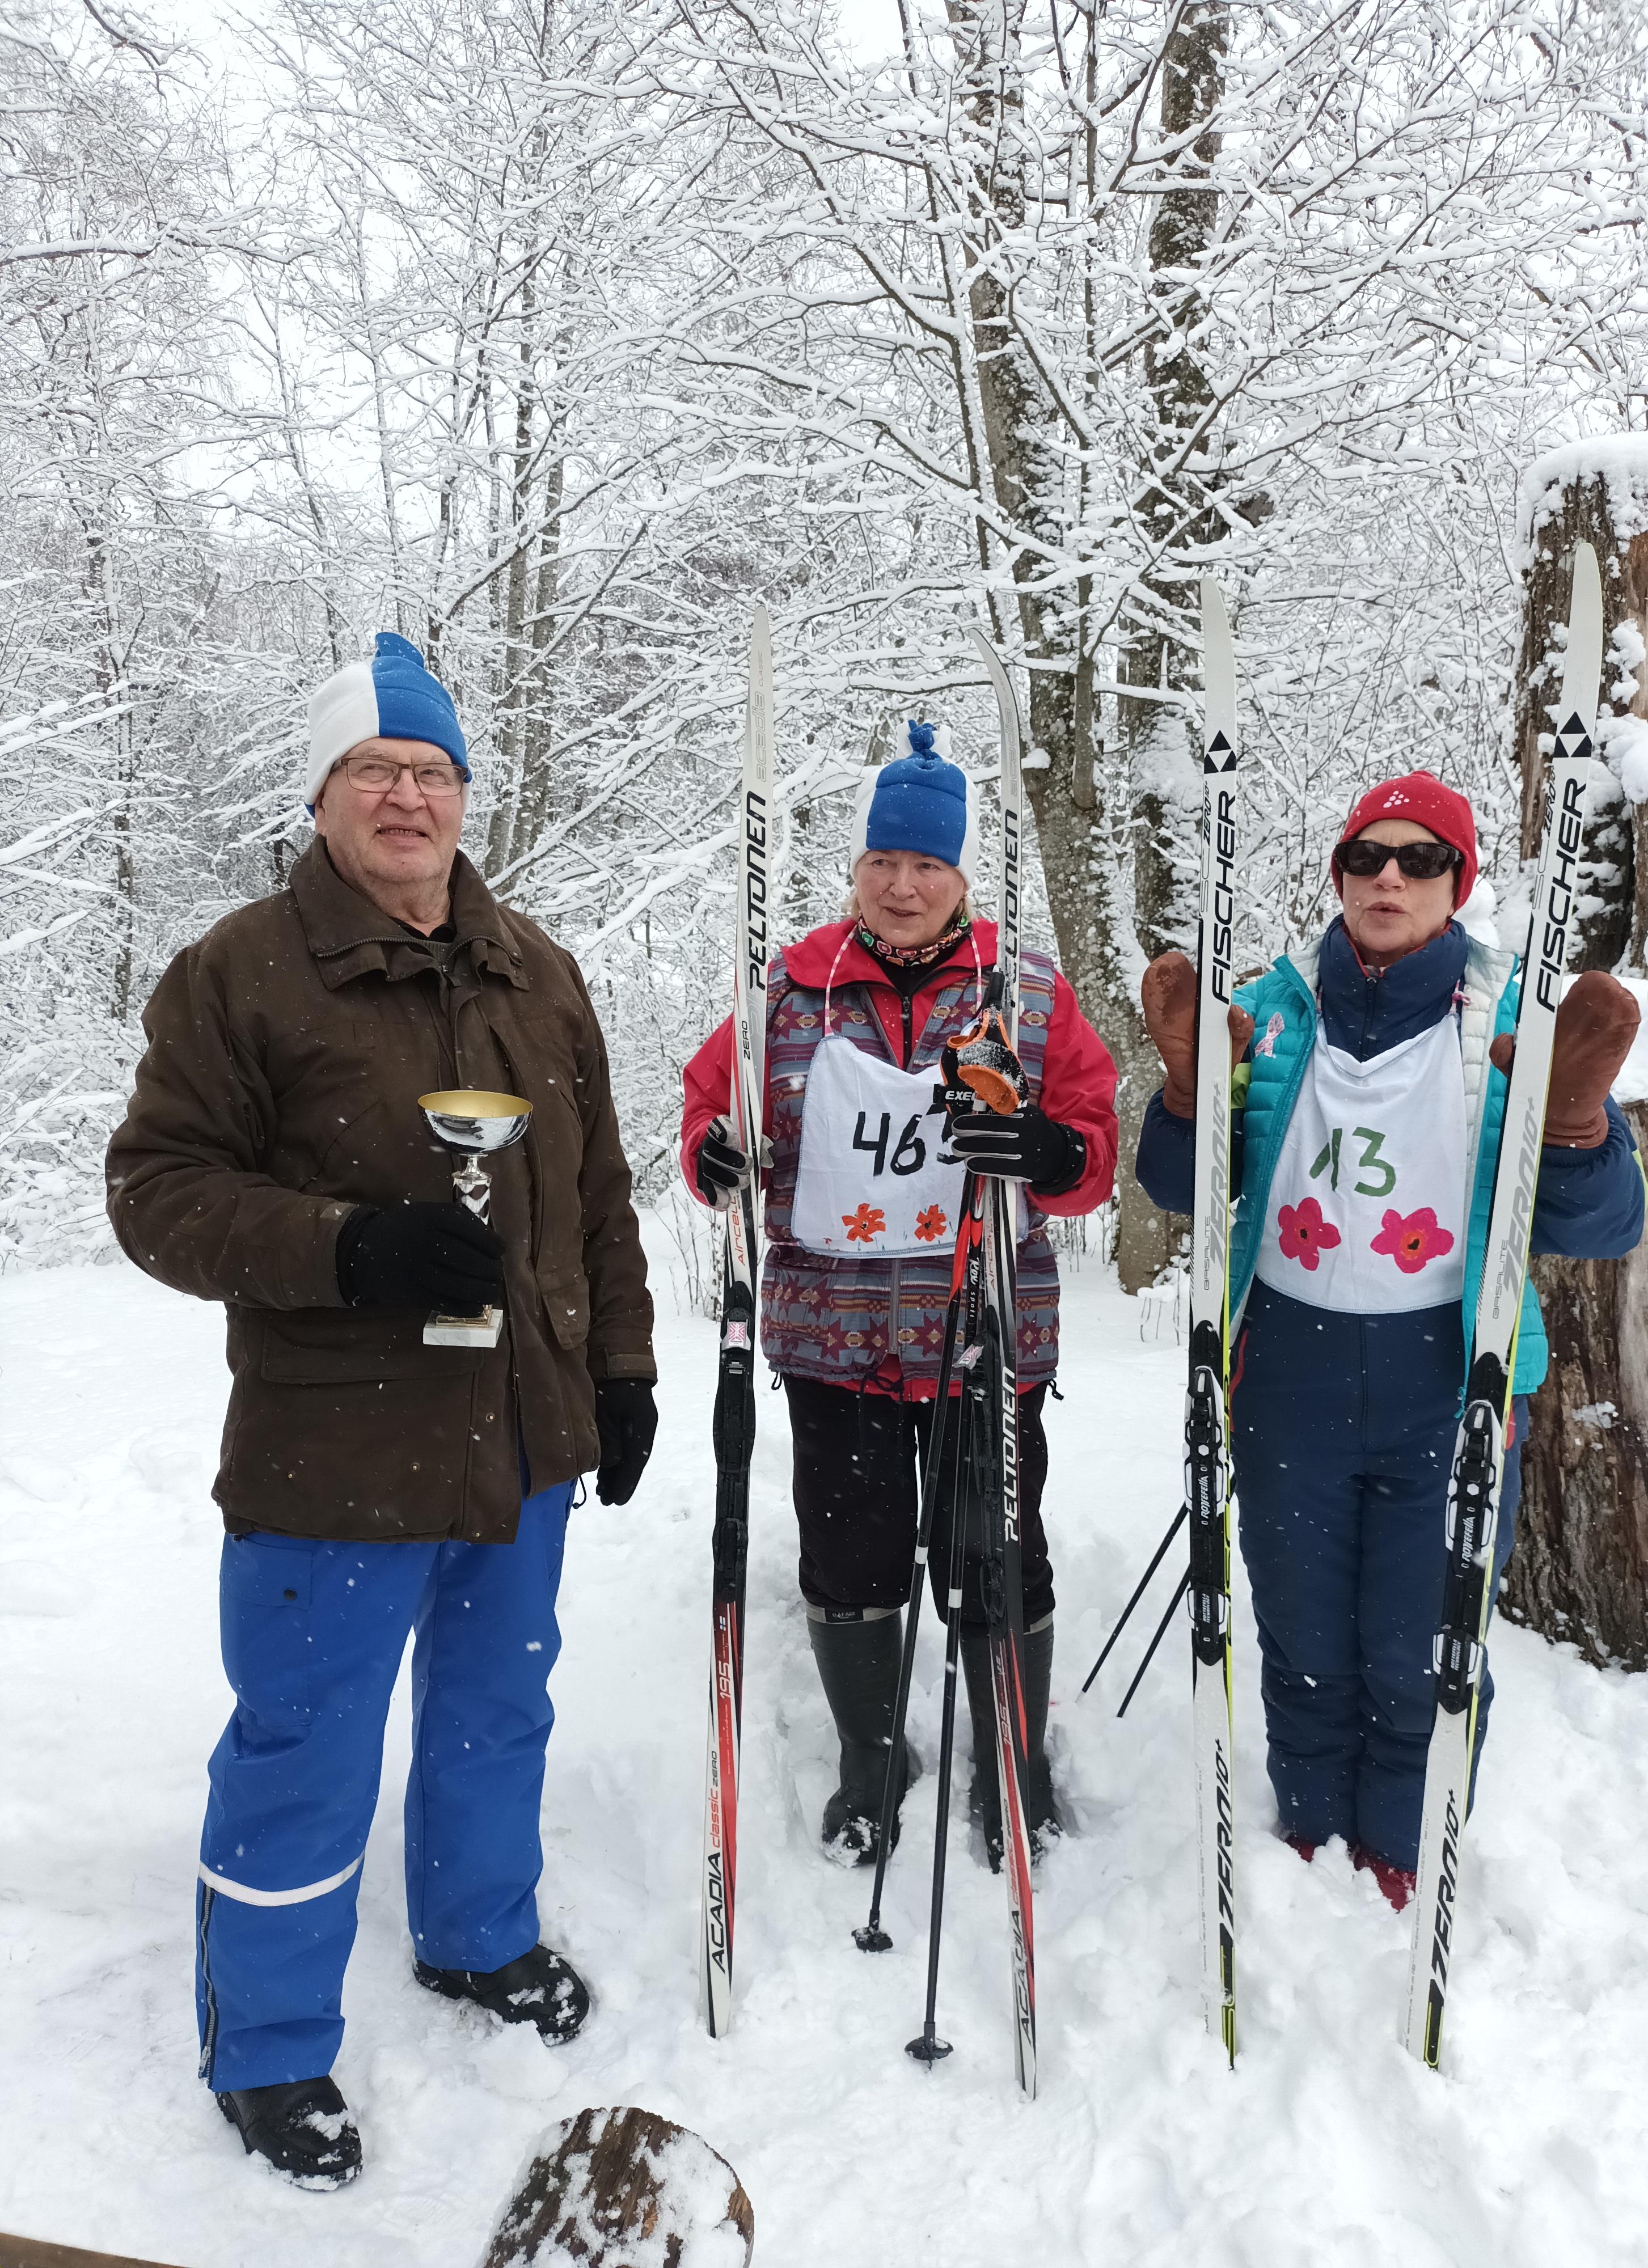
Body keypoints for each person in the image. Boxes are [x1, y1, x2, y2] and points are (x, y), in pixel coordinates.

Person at [105, 632, 659, 2188]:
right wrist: (346, 1246)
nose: (407, 798)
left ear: (464, 797)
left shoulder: (533, 970)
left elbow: (597, 1194)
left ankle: (477, 1940)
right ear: (326, 793)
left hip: (523, 1440)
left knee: (498, 1712)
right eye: (375, 771)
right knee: (305, 1745)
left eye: (431, 772)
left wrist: (619, 1369)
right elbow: (157, 1193)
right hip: (335, 1450)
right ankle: (272, 2047)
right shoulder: (243, 971)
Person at [1135, 769, 1644, 1905]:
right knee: (1306, 1630)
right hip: (1292, 1369)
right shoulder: (1269, 1012)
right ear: (1340, 874)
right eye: (1368, 857)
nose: (1390, 879)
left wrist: (1572, 1125)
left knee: (1425, 1641)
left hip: (1444, 1375)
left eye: (1420, 860)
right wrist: (1188, 1095)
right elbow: (1177, 1189)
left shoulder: (1515, 1019)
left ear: (1457, 883)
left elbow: (1611, 1225)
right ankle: (1312, 1836)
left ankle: (1409, 1849)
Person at [679, 724, 1118, 1868]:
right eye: (885, 862)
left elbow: (1092, 1145)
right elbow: (712, 1102)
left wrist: (1040, 1146)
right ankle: (872, 1755)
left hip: (983, 1331)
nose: (903, 884)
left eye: (927, 865)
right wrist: (713, 1155)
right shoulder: (794, 983)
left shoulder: (1023, 992)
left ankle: (1012, 1759)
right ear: (860, 868)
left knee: (996, 1548)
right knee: (851, 1552)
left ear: (962, 875)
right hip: (836, 1339)